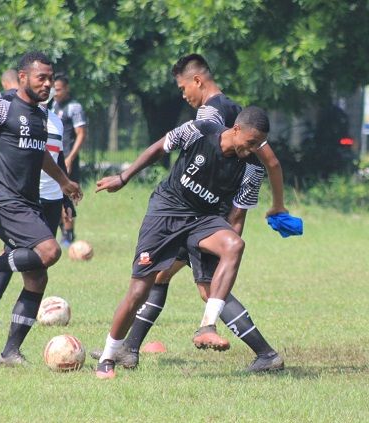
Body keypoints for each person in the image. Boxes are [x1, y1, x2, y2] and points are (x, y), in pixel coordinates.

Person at [91, 54, 286, 373]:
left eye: (257, 146)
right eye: (249, 143)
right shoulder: (204, 125)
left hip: (203, 220)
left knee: (233, 248)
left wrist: (224, 247)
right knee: (142, 287)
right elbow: (159, 148)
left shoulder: (251, 170)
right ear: (235, 129)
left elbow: (238, 216)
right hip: (167, 212)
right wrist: (123, 177)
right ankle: (110, 355)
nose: (252, 151)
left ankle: (207, 326)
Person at [0, 51, 82, 366]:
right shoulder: (2, 105)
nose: (48, 84)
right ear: (23, 77)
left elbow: (40, 155)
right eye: (42, 77)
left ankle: (9, 353)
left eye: (51, 79)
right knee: (50, 251)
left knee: (37, 279)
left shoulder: (41, 114)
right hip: (4, 199)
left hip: (29, 203)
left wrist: (64, 181)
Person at [0, 92, 76, 324]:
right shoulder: (17, 115)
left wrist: (65, 196)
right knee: (13, 250)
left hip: (52, 198)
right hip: (27, 197)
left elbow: (57, 157)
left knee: (38, 261)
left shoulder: (55, 120)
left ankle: (18, 322)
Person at [50, 74, 87, 247]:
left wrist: (70, 157)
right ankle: (60, 231)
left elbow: (81, 134)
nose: (55, 93)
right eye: (54, 89)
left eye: (58, 89)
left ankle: (68, 234)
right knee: (53, 195)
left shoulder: (75, 107)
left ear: (67, 88)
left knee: (68, 195)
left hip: (67, 160)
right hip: (54, 159)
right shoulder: (53, 105)